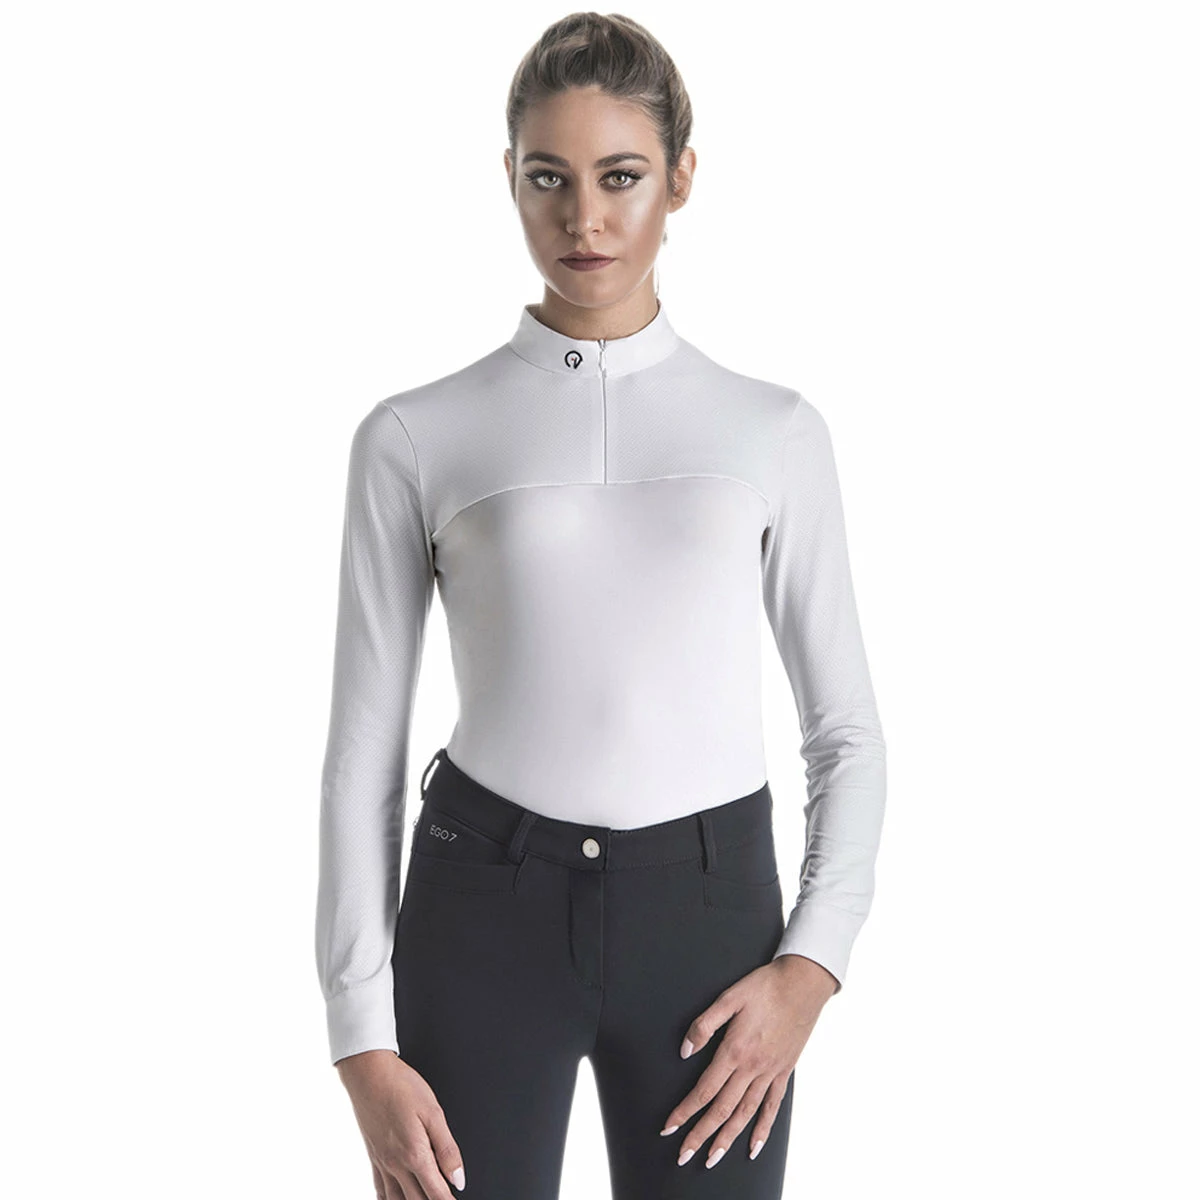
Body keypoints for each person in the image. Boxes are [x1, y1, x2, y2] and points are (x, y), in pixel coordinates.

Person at [315, 13, 887, 1200]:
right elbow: (363, 749)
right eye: (549, 179)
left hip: (709, 925)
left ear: (682, 177)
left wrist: (812, 967)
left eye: (620, 177)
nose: (584, 219)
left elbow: (846, 733)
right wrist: (359, 1033)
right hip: (481, 914)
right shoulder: (415, 435)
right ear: (509, 180)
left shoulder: (774, 432)